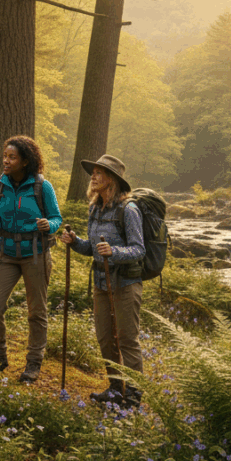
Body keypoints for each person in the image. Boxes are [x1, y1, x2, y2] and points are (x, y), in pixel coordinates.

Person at [60, 154, 145, 407]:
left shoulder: (129, 210)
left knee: (127, 339)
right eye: (93, 172)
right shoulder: (94, 209)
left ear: (112, 179)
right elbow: (92, 249)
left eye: (99, 173)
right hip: (100, 282)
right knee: (105, 338)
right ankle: (115, 388)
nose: (93, 177)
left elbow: (139, 249)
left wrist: (115, 252)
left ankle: (133, 394)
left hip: (126, 283)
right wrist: (75, 242)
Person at [0, 135, 62, 383]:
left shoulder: (41, 187)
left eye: (12, 157)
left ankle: (34, 362)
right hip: (6, 254)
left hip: (36, 254)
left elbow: (57, 218)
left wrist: (50, 224)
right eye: (5, 156)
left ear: (25, 161)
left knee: (37, 312)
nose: (6, 160)